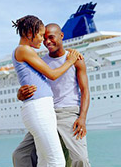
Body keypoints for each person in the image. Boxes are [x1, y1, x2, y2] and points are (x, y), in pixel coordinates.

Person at [12, 23, 91, 167]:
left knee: (80, 158)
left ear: (61, 36)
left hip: (68, 113)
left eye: (51, 38)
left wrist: (82, 118)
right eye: (44, 39)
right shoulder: (41, 61)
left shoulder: (76, 59)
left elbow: (85, 90)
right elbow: (32, 83)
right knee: (21, 155)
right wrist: (20, 94)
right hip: (46, 113)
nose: (47, 42)